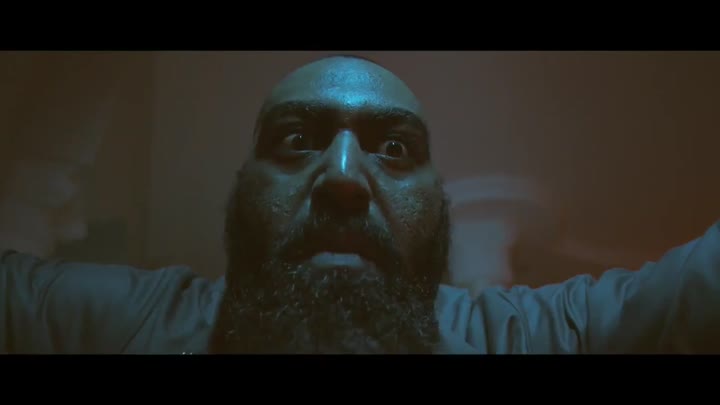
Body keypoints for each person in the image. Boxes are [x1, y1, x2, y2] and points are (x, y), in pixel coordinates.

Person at [1, 54, 719, 354]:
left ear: (438, 206)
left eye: (394, 149)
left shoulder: (508, 336)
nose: (344, 177)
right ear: (242, 190)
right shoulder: (132, 325)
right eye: (296, 140)